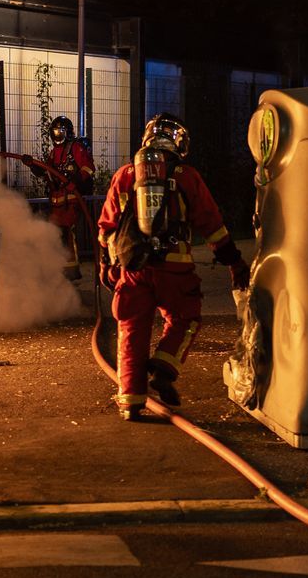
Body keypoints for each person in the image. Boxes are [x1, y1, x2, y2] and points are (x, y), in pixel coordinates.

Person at [95, 112, 250, 420]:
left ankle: (130, 401)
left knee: (131, 330)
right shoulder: (186, 176)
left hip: (134, 268)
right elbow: (211, 224)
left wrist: (105, 263)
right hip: (174, 267)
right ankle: (165, 366)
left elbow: (106, 226)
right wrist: (234, 261)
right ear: (180, 144)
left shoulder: (126, 174)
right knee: (186, 318)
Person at [22, 116, 95, 280]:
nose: (57, 135)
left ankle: (71, 271)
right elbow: (46, 171)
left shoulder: (75, 148)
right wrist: (32, 164)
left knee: (67, 234)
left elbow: (88, 168)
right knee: (56, 235)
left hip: (71, 201)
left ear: (67, 132)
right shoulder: (54, 152)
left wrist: (75, 181)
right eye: (54, 131)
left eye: (60, 131)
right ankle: (60, 268)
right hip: (57, 202)